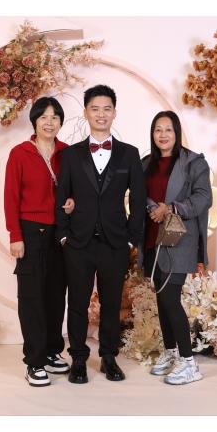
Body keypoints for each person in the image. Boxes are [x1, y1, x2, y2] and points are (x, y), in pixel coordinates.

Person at [55, 84, 146, 384]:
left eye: (107, 108)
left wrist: (131, 238)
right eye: (95, 109)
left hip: (115, 242)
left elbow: (138, 200)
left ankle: (108, 357)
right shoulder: (71, 155)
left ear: (114, 113)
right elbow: (61, 197)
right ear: (86, 113)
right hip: (78, 242)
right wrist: (64, 236)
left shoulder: (129, 154)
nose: (101, 114)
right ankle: (79, 359)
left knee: (111, 304)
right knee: (77, 304)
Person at [4, 96, 75, 387]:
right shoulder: (20, 153)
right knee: (32, 297)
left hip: (61, 233)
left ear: (60, 122)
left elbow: (75, 190)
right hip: (31, 232)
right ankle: (34, 361)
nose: (49, 122)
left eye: (55, 117)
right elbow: (10, 197)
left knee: (56, 295)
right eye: (44, 117)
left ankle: (51, 351)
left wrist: (73, 203)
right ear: (34, 121)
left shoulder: (67, 153)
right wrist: (15, 236)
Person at [138, 110, 212, 385]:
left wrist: (171, 208)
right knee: (162, 299)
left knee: (170, 298)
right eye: (158, 129)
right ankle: (171, 353)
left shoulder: (193, 162)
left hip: (179, 240)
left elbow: (204, 198)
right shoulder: (146, 163)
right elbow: (138, 194)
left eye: (168, 129)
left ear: (177, 132)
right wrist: (151, 207)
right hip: (152, 238)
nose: (163, 134)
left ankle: (189, 363)